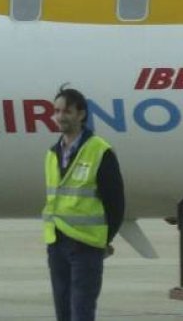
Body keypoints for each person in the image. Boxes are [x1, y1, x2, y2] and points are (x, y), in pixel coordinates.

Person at [42, 87, 125, 321]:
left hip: (85, 245)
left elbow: (116, 202)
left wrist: (104, 239)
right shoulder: (52, 154)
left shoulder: (100, 151)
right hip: (57, 242)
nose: (60, 116)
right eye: (56, 111)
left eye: (66, 111)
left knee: (82, 309)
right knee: (63, 311)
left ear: (81, 114)